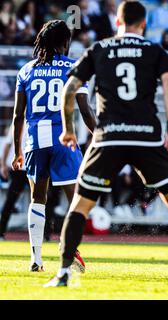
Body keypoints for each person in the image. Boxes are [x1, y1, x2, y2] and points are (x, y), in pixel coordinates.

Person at [44, 1, 168, 288]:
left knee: (79, 207)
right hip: (145, 136)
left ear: (117, 22)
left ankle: (64, 273)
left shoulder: (99, 49)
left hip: (109, 136)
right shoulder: (154, 50)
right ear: (143, 24)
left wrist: (68, 129)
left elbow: (69, 89)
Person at [11, 20, 96, 272]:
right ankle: (69, 251)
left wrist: (17, 150)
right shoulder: (73, 67)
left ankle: (36, 259)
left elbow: (18, 115)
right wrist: (101, 136)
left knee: (38, 199)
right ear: (65, 42)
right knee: (76, 200)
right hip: (64, 139)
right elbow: (85, 110)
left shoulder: (26, 70)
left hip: (35, 142)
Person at [0, 125, 28, 241]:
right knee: (11, 199)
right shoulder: (18, 122)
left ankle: (45, 233)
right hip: (19, 169)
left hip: (35, 167)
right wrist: (3, 165)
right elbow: (7, 145)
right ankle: (1, 230)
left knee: (43, 200)